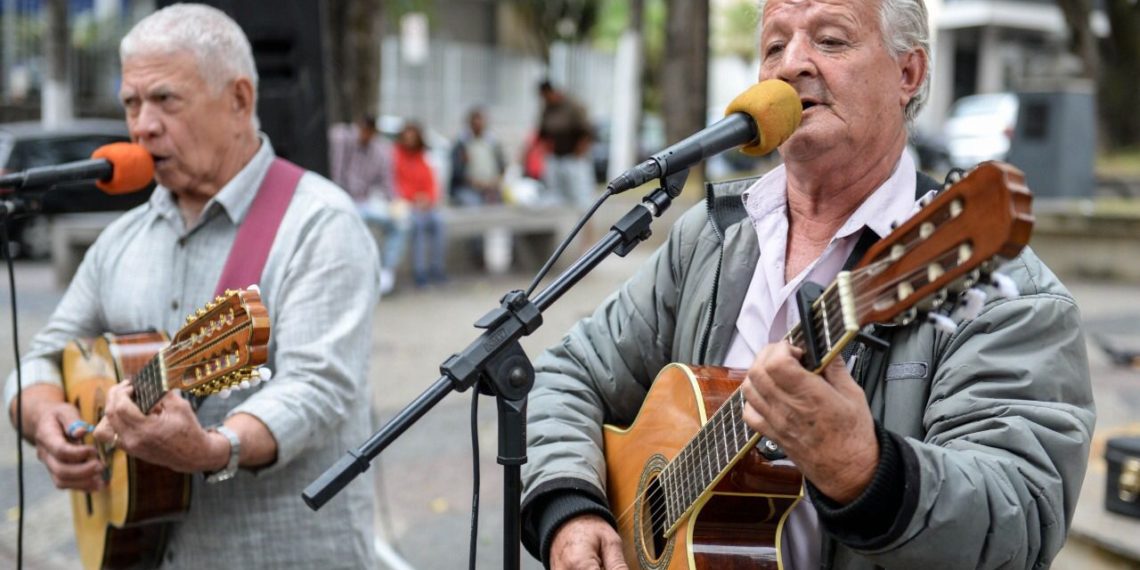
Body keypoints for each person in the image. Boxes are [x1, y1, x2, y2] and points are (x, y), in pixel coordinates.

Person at [520, 1, 1095, 569]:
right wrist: (571, 507)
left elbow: (1020, 518)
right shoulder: (710, 239)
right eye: (775, 45)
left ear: (908, 73)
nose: (792, 63)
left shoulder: (1004, 292)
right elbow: (568, 373)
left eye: (831, 40)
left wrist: (867, 472)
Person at [4, 5, 380, 568]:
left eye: (165, 100)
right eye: (131, 103)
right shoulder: (121, 241)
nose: (142, 125)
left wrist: (212, 448)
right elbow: (41, 356)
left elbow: (317, 387)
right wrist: (46, 419)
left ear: (239, 100)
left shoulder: (319, 223)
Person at [329, 113, 410, 295]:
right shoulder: (342, 139)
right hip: (337, 201)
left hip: (364, 202)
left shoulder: (380, 150)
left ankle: (386, 274)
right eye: (361, 130)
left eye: (368, 132)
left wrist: (396, 204)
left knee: (400, 223)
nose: (364, 135)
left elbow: (387, 183)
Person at [393, 121, 446, 287]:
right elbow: (395, 184)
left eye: (413, 137)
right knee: (418, 224)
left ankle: (437, 269)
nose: (410, 140)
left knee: (439, 222)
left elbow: (431, 182)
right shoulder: (395, 156)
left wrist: (428, 198)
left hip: (425, 204)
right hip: (406, 204)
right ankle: (420, 272)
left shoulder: (423, 156)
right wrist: (413, 198)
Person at [536, 79, 594, 209]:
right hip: (556, 159)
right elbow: (542, 133)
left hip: (574, 159)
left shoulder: (571, 105)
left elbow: (586, 131)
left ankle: (588, 228)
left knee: (581, 199)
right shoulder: (547, 109)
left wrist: (579, 152)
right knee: (557, 198)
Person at [449, 107, 507, 207]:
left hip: (491, 188)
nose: (478, 124)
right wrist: (474, 183)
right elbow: (457, 172)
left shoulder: (493, 143)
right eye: (475, 121)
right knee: (473, 204)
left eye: (480, 121)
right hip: (468, 188)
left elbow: (502, 166)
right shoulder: (462, 145)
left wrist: (493, 183)